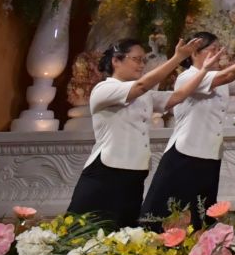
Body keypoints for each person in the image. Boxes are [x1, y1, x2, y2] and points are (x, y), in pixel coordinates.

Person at [140, 34, 235, 224]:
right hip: (185, 154)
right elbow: (227, 75)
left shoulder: (219, 79)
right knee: (170, 212)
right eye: (213, 49)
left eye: (220, 48)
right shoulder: (188, 77)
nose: (219, 54)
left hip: (210, 155)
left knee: (200, 216)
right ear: (195, 53)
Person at [68, 37, 193, 227]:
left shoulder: (144, 94)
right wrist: (177, 58)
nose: (142, 65)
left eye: (144, 60)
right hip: (107, 171)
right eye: (137, 59)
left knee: (124, 235)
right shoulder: (105, 89)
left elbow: (178, 96)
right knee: (86, 232)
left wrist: (206, 71)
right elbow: (141, 86)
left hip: (136, 172)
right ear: (116, 60)